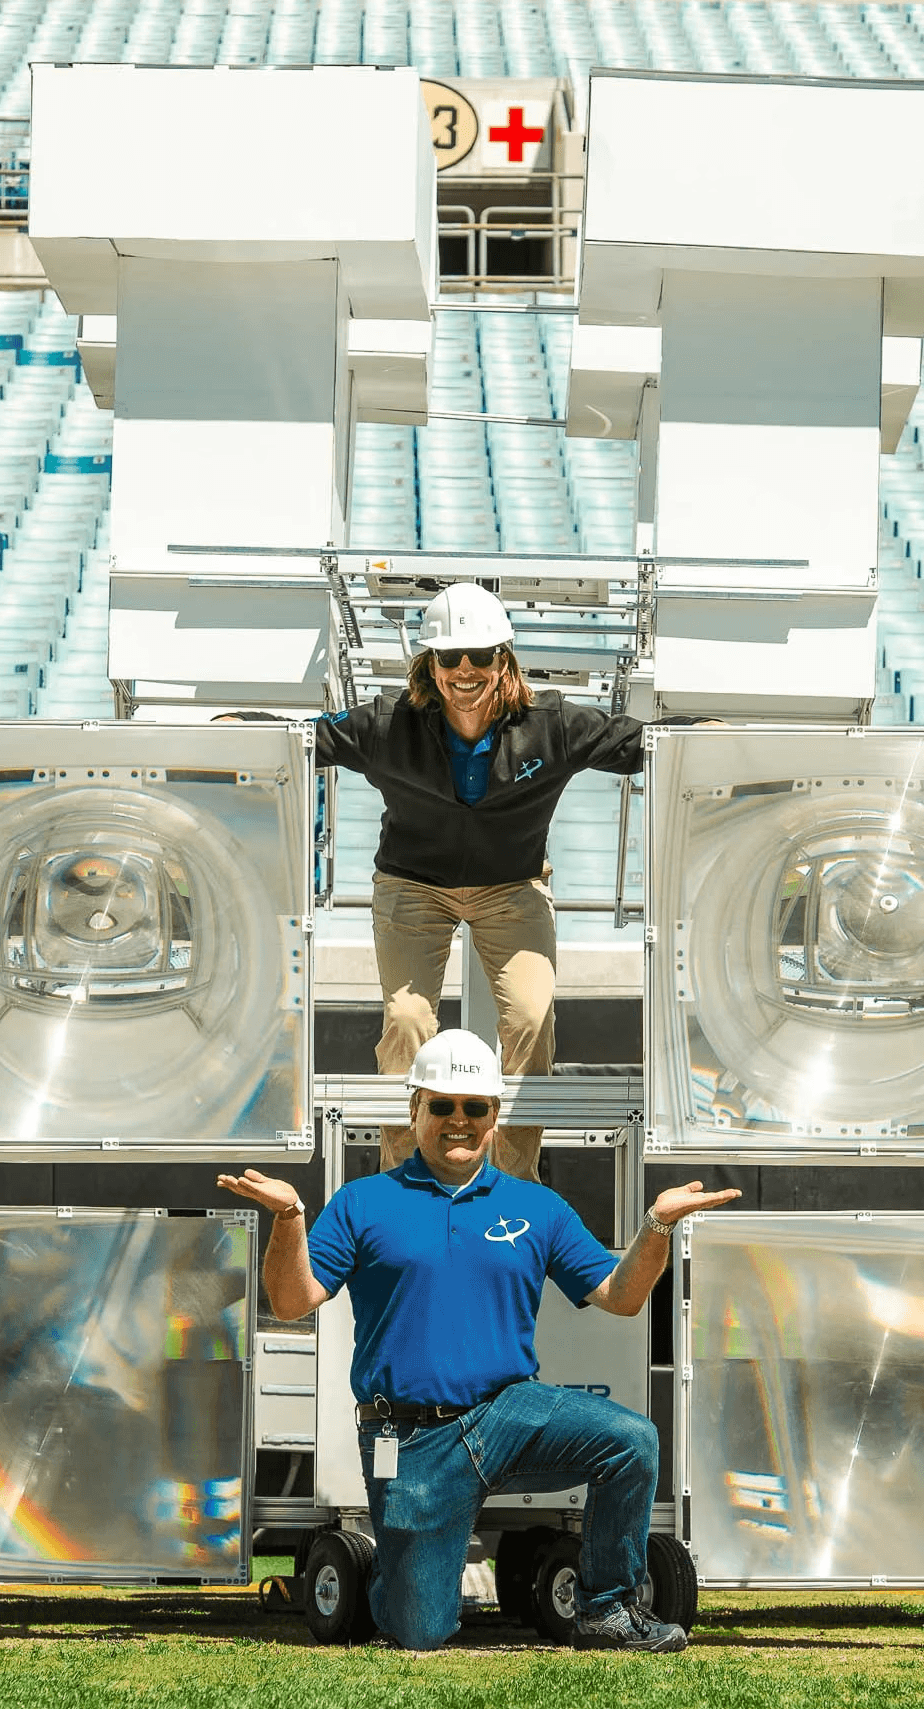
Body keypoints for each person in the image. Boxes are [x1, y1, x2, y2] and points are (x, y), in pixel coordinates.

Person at [219, 1027, 738, 1653]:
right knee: (419, 1631)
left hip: (506, 1412)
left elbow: (622, 1297)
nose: (458, 1120)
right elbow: (291, 1300)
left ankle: (606, 1612)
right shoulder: (363, 1202)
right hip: (409, 1436)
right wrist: (289, 1219)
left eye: (475, 1107)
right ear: (415, 1111)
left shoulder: (537, 1207)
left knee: (631, 1442)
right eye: (442, 1105)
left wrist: (656, 1225)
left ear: (494, 1116)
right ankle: (387, 1573)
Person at [312, 582, 645, 1180]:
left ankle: (514, 1180)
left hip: (511, 887)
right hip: (413, 886)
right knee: (407, 1022)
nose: (465, 670)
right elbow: (304, 739)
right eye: (449, 657)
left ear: (503, 660)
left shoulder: (552, 724)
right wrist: (236, 725)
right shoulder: (388, 724)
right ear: (430, 664)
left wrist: (712, 730)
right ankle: (404, 1179)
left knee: (531, 1022)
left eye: (481, 656)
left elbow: (644, 742)